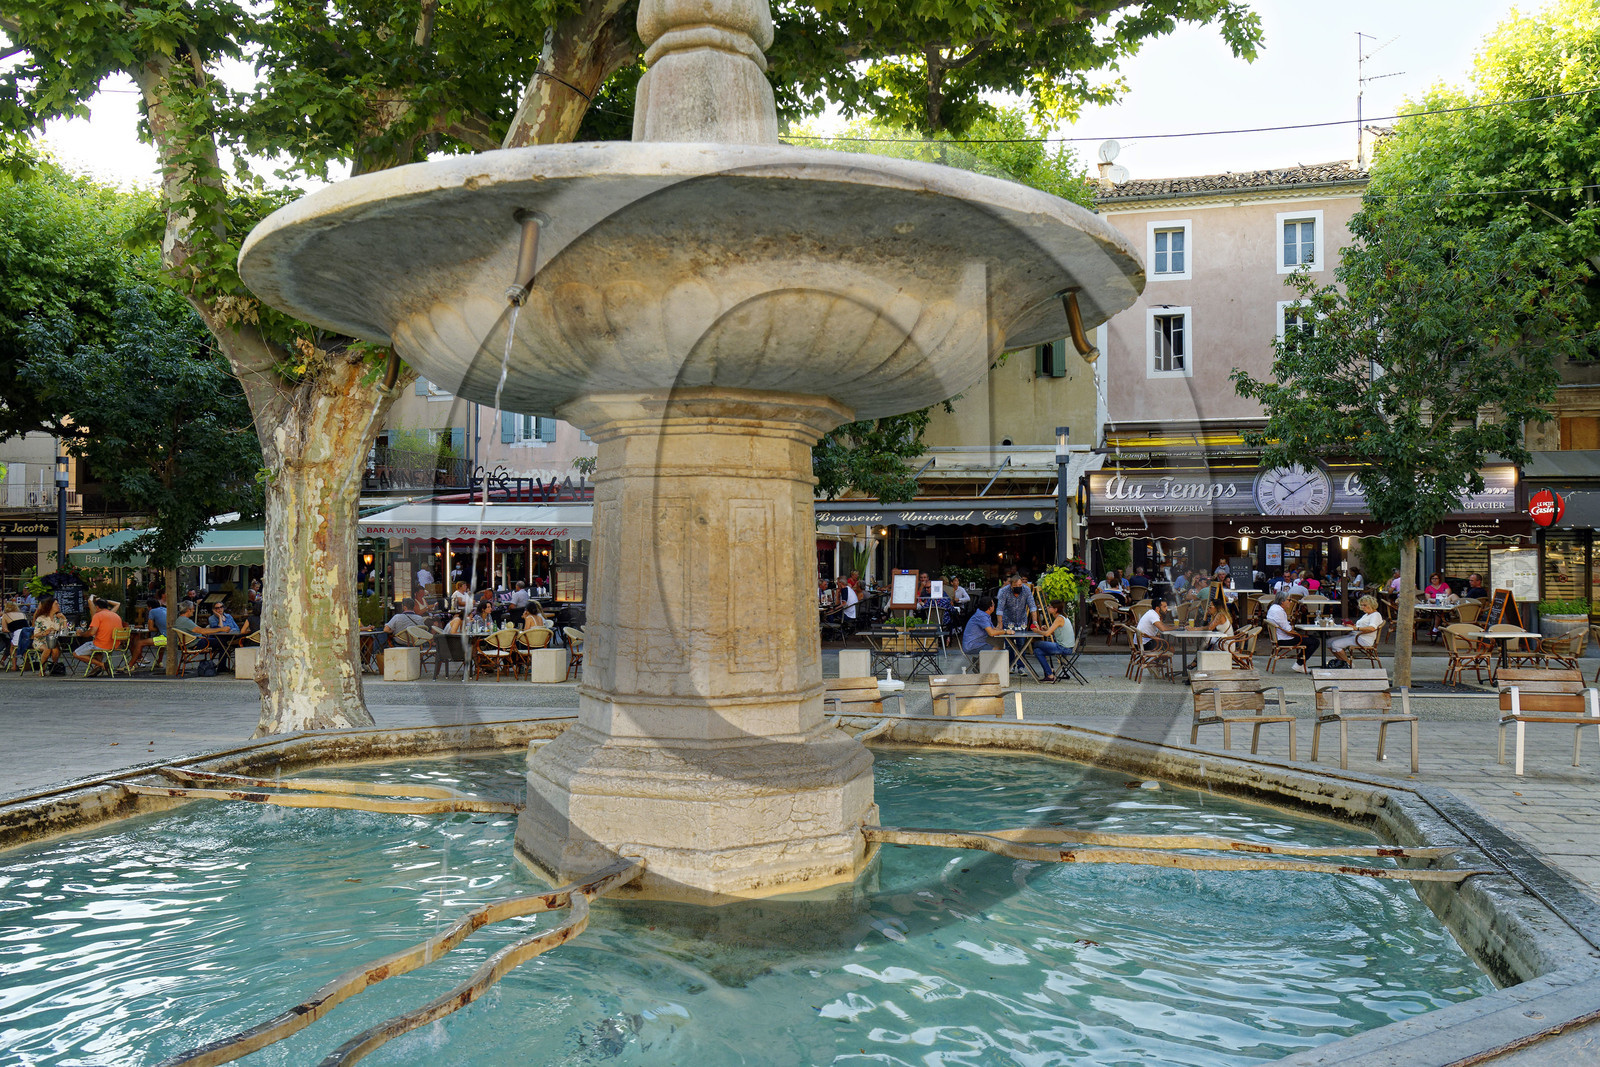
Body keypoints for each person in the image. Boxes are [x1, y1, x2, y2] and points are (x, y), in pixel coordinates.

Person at [1266, 590, 1317, 673]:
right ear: (1282, 601)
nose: (1290, 602)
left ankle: (1299, 664)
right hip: (1284, 639)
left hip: (1279, 638)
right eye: (1289, 600)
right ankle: (1299, 665)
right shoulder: (1278, 611)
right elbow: (1288, 631)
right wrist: (1299, 636)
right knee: (1314, 641)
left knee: (1310, 638)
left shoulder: (1273, 608)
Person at [73, 598, 124, 676]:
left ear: (97, 607)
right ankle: (97, 667)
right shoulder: (116, 615)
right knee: (97, 652)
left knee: (76, 653)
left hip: (101, 645)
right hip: (114, 645)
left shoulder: (98, 615)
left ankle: (101, 664)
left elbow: (92, 632)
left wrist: (81, 634)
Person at [1330, 595, 1384, 665]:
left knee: (1335, 644)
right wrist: (1350, 625)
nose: (1362, 607)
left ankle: (1349, 664)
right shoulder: (1367, 614)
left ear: (1371, 605)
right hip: (1356, 636)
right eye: (1361, 605)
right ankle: (1342, 662)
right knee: (1329, 642)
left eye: (1365, 605)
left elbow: (1372, 628)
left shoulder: (1375, 615)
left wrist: (1356, 628)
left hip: (1363, 639)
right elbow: (1361, 626)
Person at [1032, 600, 1075, 681]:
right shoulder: (1062, 617)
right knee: (1037, 651)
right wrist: (1047, 629)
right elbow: (1054, 633)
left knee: (1036, 643)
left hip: (1063, 648)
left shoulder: (1059, 619)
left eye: (1049, 607)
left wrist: (1037, 631)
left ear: (1055, 609)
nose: (1048, 608)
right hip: (1065, 647)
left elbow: (1047, 634)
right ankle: (1050, 675)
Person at [127, 596, 166, 670]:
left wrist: (157, 629)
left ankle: (130, 665)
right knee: (161, 644)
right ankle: (159, 661)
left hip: (166, 638)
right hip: (172, 636)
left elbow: (150, 628)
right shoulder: (165, 609)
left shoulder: (152, 611)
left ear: (149, 607)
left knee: (140, 643)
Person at [31, 596, 68, 673]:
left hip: (53, 640)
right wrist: (45, 632)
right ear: (50, 606)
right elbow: (36, 634)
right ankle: (42, 669)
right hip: (41, 640)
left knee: (54, 649)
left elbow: (65, 631)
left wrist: (64, 619)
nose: (58, 606)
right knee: (48, 648)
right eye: (56, 604)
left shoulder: (58, 618)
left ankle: (54, 667)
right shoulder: (41, 619)